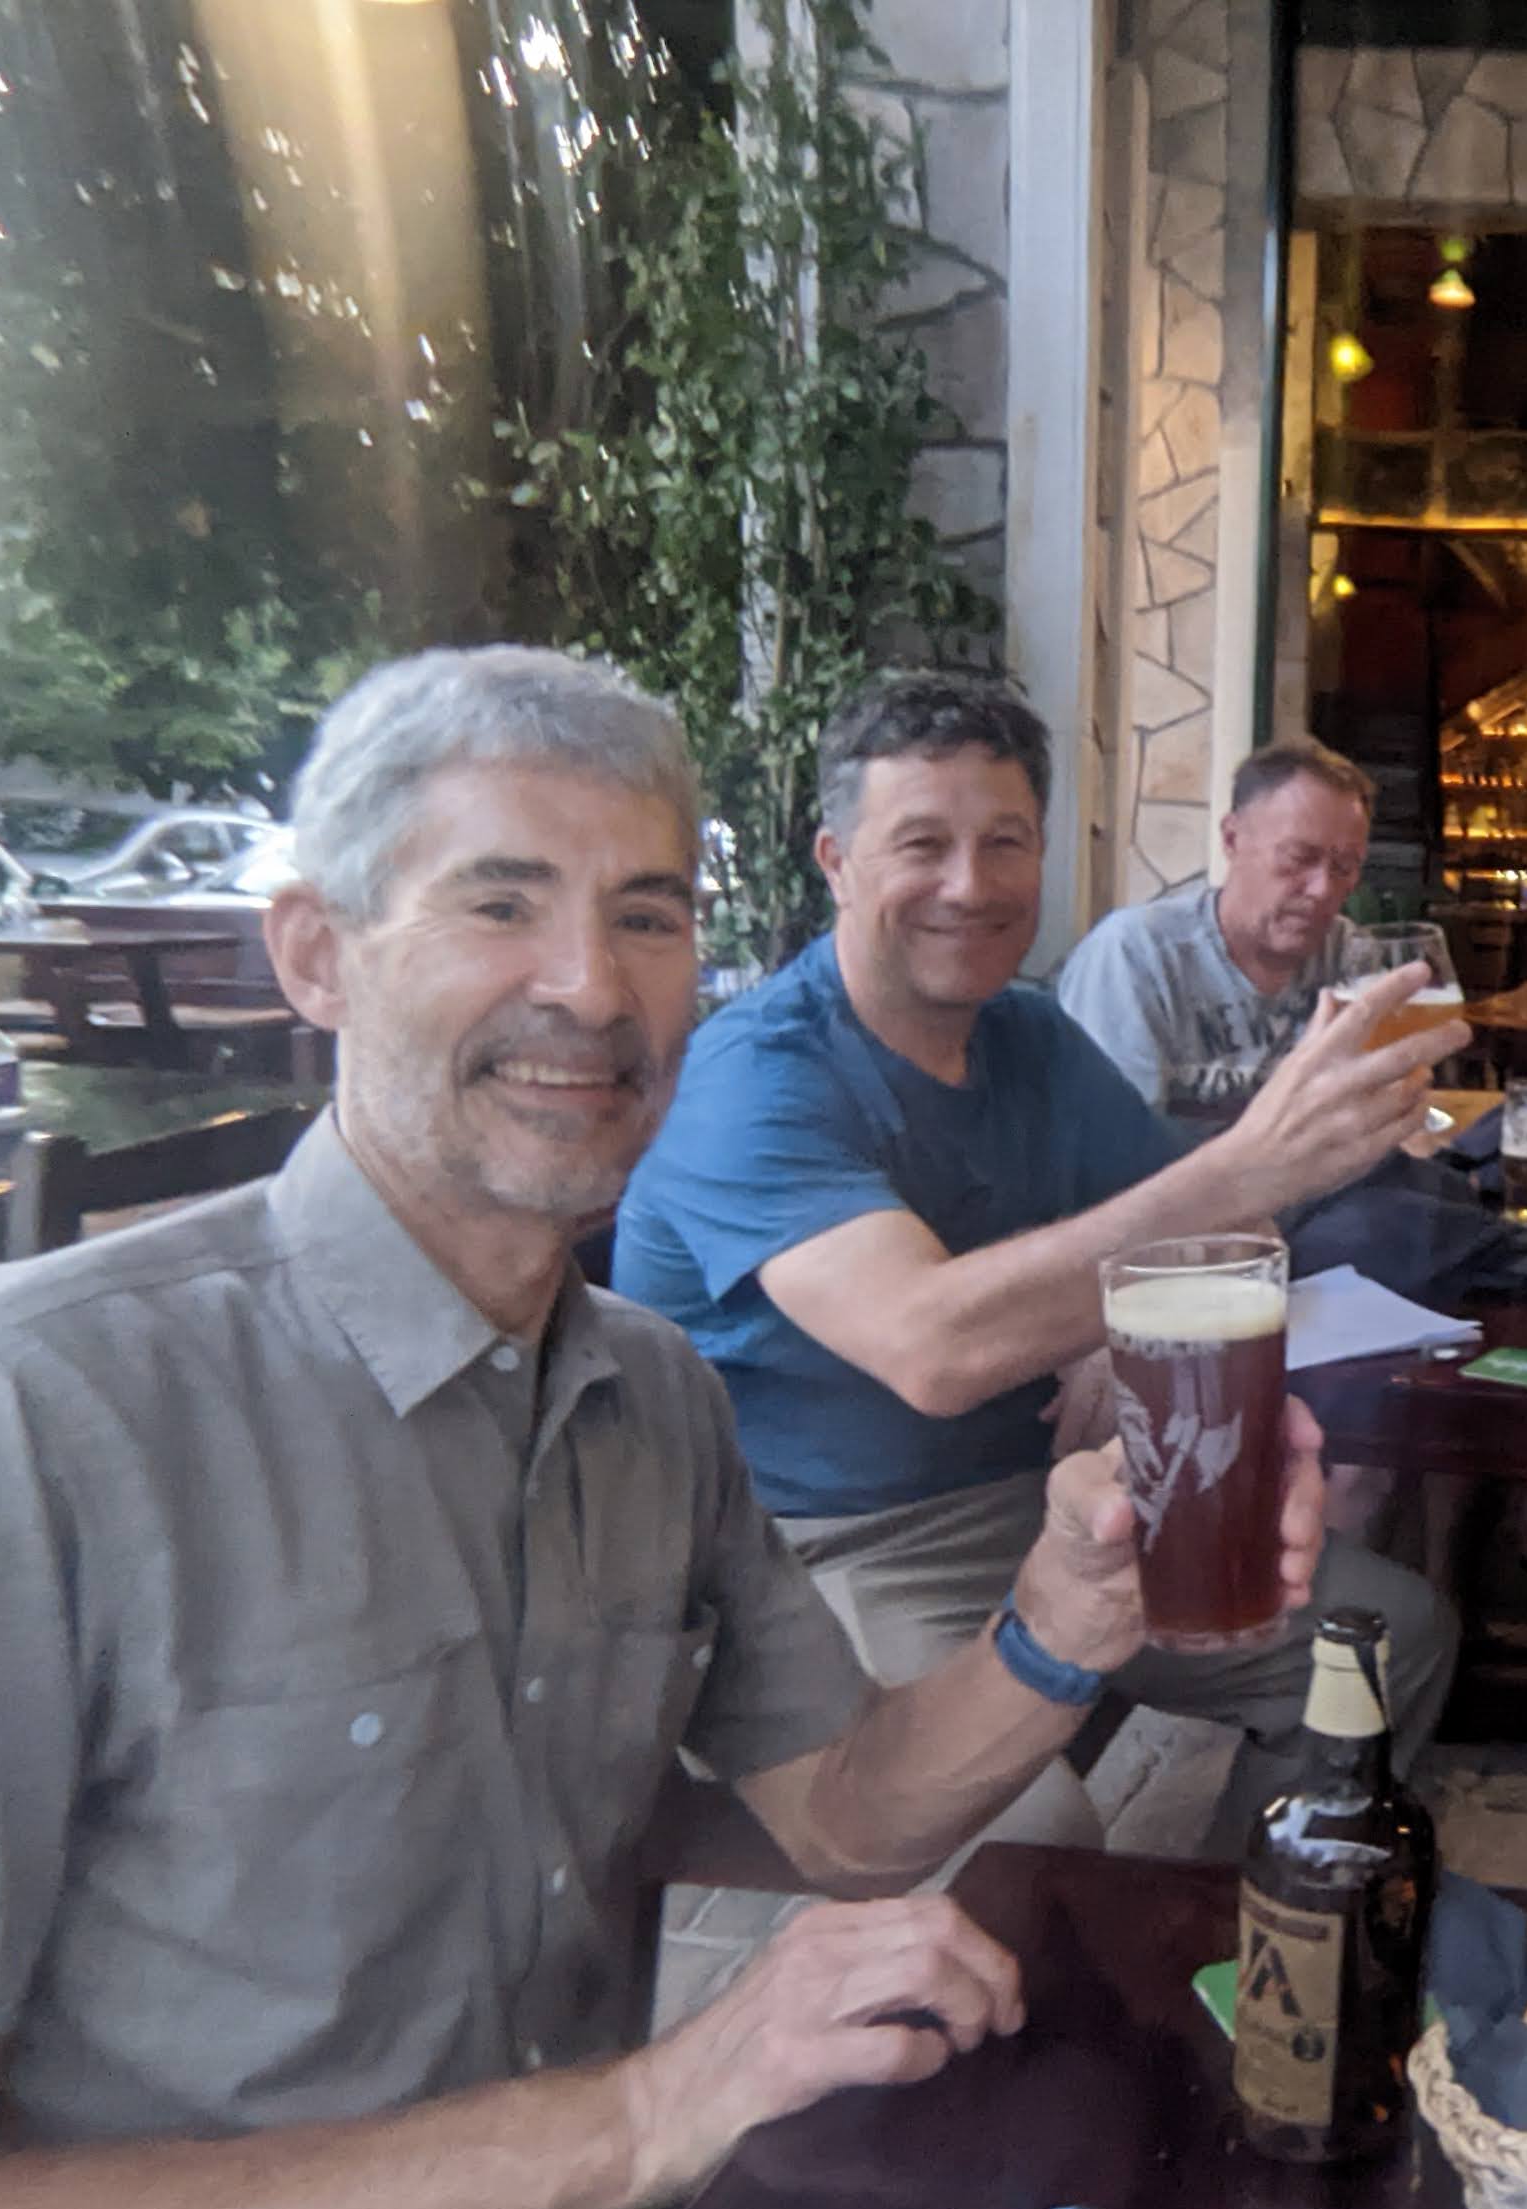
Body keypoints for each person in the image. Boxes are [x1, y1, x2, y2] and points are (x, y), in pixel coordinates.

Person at [0, 647, 1331, 2209]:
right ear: (317, 956)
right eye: (498, 902)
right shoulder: (18, 1417)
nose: (590, 988)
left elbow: (846, 1815)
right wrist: (653, 2107)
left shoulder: (651, 1395)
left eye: (648, 916)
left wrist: (1069, 1614)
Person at [616, 673, 1467, 1858]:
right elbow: (935, 1348)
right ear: (837, 861)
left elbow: (1237, 1248)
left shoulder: (1027, 1036)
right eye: (924, 844)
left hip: (1057, 1505)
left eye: (1006, 844)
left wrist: (1118, 1333)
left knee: (1383, 1641)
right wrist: (1250, 1165)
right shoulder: (753, 1075)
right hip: (827, 1546)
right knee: (1031, 1841)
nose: (971, 885)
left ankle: (1232, 1925)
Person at [1054, 735, 1373, 1129]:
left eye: (1345, 867)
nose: (1323, 888)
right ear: (1231, 839)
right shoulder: (1136, 956)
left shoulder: (1349, 954)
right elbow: (1112, 1144)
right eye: (1299, 857)